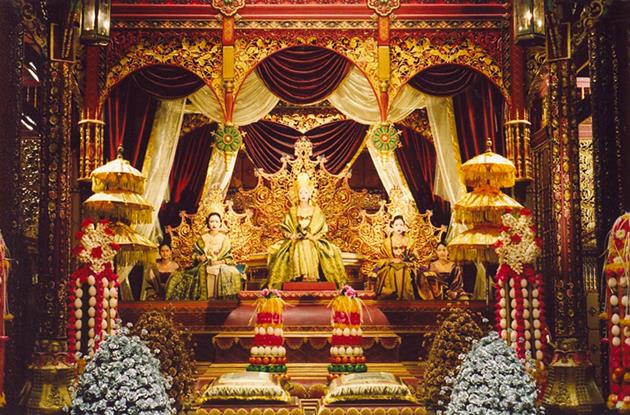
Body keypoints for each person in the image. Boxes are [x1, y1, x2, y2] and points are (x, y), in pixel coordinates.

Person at [266, 172, 347, 289]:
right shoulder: (292, 211)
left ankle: (311, 275)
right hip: (295, 240)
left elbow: (323, 229)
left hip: (314, 239)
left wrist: (313, 237)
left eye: (305, 192)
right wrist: (292, 235)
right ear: (297, 194)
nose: (303, 195)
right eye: (301, 192)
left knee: (309, 244)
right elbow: (285, 228)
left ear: (310, 194)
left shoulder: (316, 211)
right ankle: (300, 275)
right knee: (299, 244)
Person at [165, 212, 244, 300]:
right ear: (208, 223)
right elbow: (195, 254)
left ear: (220, 223)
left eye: (216, 221)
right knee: (186, 275)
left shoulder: (225, 238)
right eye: (211, 221)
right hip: (205, 263)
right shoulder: (202, 238)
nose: (214, 224)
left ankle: (225, 299)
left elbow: (229, 256)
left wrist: (219, 261)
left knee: (232, 272)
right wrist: (199, 257)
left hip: (221, 264)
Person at [375, 215, 419, 300]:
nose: (399, 227)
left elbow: (415, 257)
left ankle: (405, 297)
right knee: (392, 270)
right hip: (390, 266)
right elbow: (380, 259)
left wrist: (408, 261)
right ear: (392, 226)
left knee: (404, 270)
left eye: (401, 225)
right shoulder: (386, 242)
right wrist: (391, 260)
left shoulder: (410, 241)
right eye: (396, 225)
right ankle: (392, 294)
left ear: (404, 226)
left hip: (406, 266)